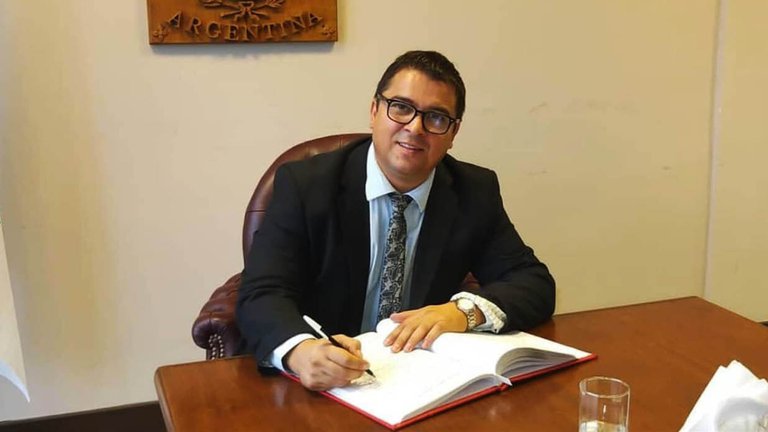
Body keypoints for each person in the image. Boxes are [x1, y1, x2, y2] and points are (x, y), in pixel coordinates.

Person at [236, 50, 555, 391]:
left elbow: (533, 282)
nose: (415, 128)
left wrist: (462, 312)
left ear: (453, 132)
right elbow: (262, 293)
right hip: (327, 382)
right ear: (374, 111)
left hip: (419, 381)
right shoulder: (306, 185)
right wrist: (301, 352)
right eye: (401, 107)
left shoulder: (473, 191)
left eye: (436, 117)